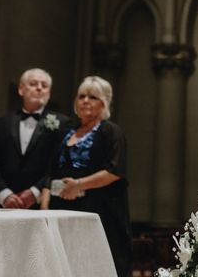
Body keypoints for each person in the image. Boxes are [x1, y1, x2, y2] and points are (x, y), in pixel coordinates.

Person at [41, 76, 132, 277]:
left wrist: (79, 185)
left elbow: (114, 171)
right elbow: (50, 171)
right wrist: (44, 206)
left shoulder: (112, 131)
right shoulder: (67, 131)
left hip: (99, 212)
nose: (85, 101)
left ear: (104, 102)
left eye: (93, 97)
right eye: (81, 96)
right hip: (61, 209)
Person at [0, 68, 70, 209]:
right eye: (33, 83)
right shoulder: (2, 123)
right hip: (2, 206)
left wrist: (35, 192)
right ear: (21, 89)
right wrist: (4, 195)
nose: (39, 88)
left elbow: (59, 165)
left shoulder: (63, 123)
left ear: (49, 93)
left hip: (40, 204)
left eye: (44, 85)